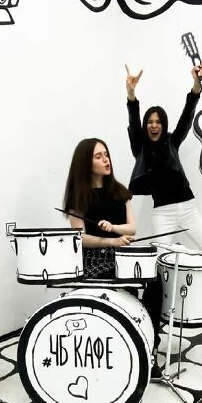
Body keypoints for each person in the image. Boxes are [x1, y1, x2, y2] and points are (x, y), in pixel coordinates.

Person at [63, 137, 164, 378]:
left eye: (106, 154)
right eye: (98, 156)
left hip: (121, 253)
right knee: (128, 289)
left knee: (155, 280)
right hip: (94, 261)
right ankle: (129, 341)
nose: (105, 160)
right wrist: (109, 241)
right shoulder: (79, 197)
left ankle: (150, 341)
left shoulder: (121, 192)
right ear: (85, 163)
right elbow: (80, 239)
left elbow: (132, 229)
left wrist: (115, 228)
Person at [124, 64, 202, 256]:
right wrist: (131, 96)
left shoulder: (172, 142)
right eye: (150, 121)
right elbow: (134, 124)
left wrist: (196, 88)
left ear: (163, 124)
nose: (154, 125)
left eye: (158, 121)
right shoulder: (140, 147)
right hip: (163, 214)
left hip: (188, 208)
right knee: (160, 262)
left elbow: (186, 119)